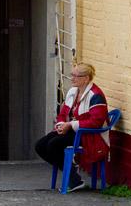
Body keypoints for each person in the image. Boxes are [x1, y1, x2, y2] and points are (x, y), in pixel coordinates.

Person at [34, 62, 109, 193]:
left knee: (54, 144)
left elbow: (95, 122)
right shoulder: (73, 92)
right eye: (72, 75)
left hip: (89, 135)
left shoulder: (96, 95)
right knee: (40, 145)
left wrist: (70, 125)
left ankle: (73, 179)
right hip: (74, 131)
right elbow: (63, 113)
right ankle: (74, 177)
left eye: (76, 76)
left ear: (86, 78)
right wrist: (61, 125)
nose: (72, 78)